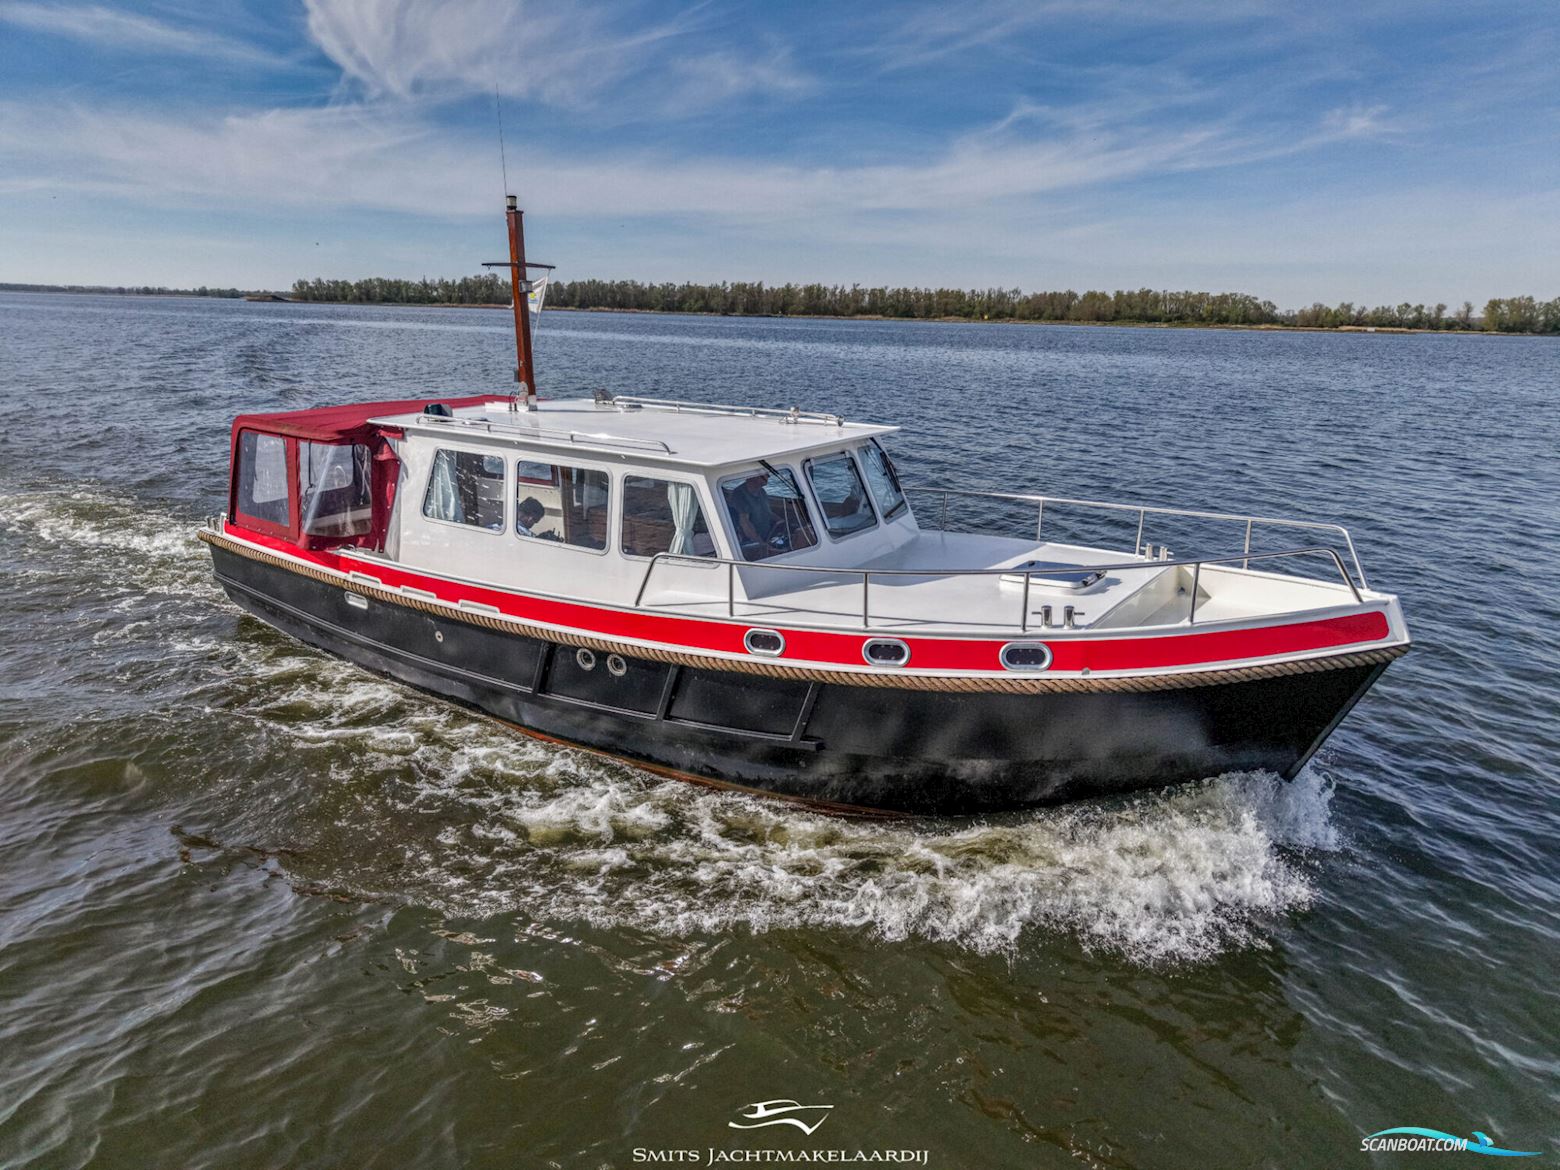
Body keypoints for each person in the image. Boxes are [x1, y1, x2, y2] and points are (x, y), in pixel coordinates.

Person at [728, 473, 776, 549]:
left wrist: (783, 522)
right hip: (751, 541)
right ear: (751, 477)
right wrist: (761, 543)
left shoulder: (762, 492)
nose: (768, 476)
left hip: (768, 535)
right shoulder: (739, 494)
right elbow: (745, 523)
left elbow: (768, 513)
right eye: (763, 475)